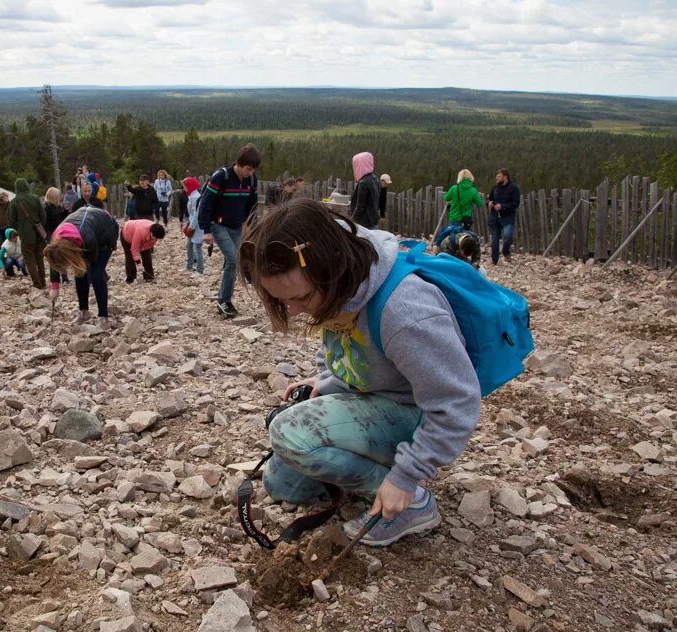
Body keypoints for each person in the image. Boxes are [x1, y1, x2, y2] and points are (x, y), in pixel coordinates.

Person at [237, 198, 480, 547]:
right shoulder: (341, 290)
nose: (293, 310)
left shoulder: (406, 310)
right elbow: (350, 354)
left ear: (333, 268)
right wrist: (326, 381)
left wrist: (404, 477)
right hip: (376, 400)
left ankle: (410, 503)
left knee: (290, 431)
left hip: (417, 418)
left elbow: (456, 403)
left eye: (301, 298)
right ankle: (360, 472)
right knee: (284, 485)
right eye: (282, 300)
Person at [199, 143, 262, 319]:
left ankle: (224, 299)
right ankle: (225, 300)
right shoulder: (221, 177)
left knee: (232, 262)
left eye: (253, 170)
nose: (250, 173)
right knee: (234, 260)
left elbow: (253, 204)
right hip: (218, 224)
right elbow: (206, 203)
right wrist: (206, 230)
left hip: (237, 226)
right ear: (239, 164)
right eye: (248, 169)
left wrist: (250, 224)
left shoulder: (251, 180)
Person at [44, 206, 119, 328]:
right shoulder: (55, 241)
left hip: (106, 230)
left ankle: (103, 316)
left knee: (96, 275)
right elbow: (54, 261)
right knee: (80, 273)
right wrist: (55, 286)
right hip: (83, 228)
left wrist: (91, 270)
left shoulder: (87, 238)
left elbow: (93, 260)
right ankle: (84, 312)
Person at [8, 177, 48, 289]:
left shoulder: (14, 202)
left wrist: (19, 230)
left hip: (25, 235)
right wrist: (40, 226)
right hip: (38, 233)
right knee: (39, 258)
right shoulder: (35, 198)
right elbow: (43, 216)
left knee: (29, 260)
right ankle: (43, 281)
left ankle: (37, 283)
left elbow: (11, 221)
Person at [486, 168, 520, 265]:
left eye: (499, 176)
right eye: (496, 177)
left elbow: (516, 203)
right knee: (495, 239)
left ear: (505, 177)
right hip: (495, 217)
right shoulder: (495, 188)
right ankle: (494, 260)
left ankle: (506, 251)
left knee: (508, 236)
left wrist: (502, 206)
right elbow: (489, 200)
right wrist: (489, 203)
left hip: (508, 217)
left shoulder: (513, 188)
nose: (497, 179)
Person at [43, 188, 70, 304]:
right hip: (52, 235)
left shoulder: (56, 207)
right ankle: (55, 281)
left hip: (59, 234)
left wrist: (65, 212)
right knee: (54, 259)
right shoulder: (47, 207)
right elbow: (50, 222)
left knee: (62, 256)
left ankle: (64, 277)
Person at [349, 151, 381, 230]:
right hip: (374, 220)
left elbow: (360, 206)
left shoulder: (363, 182)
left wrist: (352, 220)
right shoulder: (375, 178)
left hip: (364, 223)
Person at [184, 176, 204, 275]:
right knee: (189, 246)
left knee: (198, 247)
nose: (184, 188)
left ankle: (200, 270)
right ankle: (189, 265)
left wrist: (192, 226)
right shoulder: (192, 196)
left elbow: (197, 214)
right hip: (192, 224)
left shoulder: (196, 197)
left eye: (185, 186)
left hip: (197, 226)